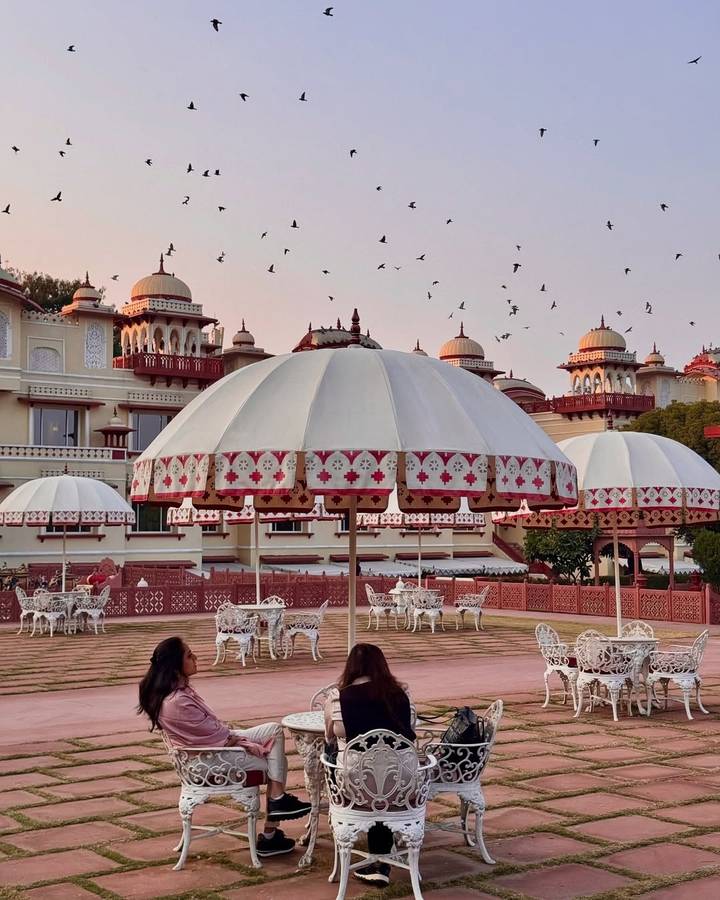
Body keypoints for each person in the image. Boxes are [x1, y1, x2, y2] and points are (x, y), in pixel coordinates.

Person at [138, 636, 311, 857]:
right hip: (210, 760)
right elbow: (218, 737)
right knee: (273, 760)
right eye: (189, 655)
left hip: (209, 749)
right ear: (175, 665)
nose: (195, 658)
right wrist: (236, 739)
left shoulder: (175, 693)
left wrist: (232, 736)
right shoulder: (177, 702)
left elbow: (212, 732)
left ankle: (276, 806)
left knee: (274, 731)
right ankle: (270, 831)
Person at [324, 643, 416, 887]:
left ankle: (373, 856)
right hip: (402, 785)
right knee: (381, 772)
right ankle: (381, 858)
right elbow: (410, 732)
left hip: (357, 787)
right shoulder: (400, 694)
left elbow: (330, 735)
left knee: (334, 753)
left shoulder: (340, 697)